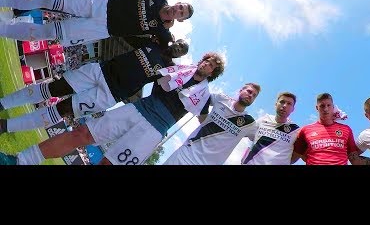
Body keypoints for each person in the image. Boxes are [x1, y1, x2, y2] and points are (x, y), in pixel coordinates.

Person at [0, 52, 225, 165]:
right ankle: (19, 160)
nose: (208, 65)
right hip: (138, 109)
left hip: (154, 130)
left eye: (213, 66)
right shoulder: (178, 69)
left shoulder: (205, 97)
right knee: (81, 133)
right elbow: (152, 82)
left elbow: (204, 124)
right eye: (208, 60)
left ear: (213, 74)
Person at [0, 39, 192, 133]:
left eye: (181, 50)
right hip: (100, 71)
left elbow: (167, 89)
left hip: (110, 94)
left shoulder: (170, 70)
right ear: (174, 40)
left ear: (179, 55)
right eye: (179, 44)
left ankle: (6, 127)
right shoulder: (152, 42)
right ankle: (3, 103)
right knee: (54, 88)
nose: (178, 48)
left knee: (62, 109)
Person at [0, 0, 192, 46]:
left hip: (102, 29)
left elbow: (172, 51)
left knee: (49, 32)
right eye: (180, 7)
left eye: (181, 13)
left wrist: (169, 33)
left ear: (180, 19)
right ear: (178, 2)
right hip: (102, 3)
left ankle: (4, 29)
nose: (178, 10)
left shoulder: (162, 31)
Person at [163, 82, 261, 165]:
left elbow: (262, 142)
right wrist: (203, 116)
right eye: (249, 91)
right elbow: (203, 97)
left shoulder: (250, 123)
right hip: (185, 154)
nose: (250, 95)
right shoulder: (222, 99)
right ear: (241, 90)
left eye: (254, 96)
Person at [293, 92, 368, 165]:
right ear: (317, 108)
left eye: (328, 105)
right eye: (322, 106)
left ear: (333, 107)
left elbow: (353, 157)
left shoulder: (346, 129)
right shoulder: (305, 130)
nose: (325, 109)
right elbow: (297, 156)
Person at [241, 91, 303, 165]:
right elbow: (243, 133)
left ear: (293, 109)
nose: (284, 105)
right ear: (276, 104)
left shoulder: (295, 130)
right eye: (282, 102)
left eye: (289, 104)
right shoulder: (263, 120)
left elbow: (297, 154)